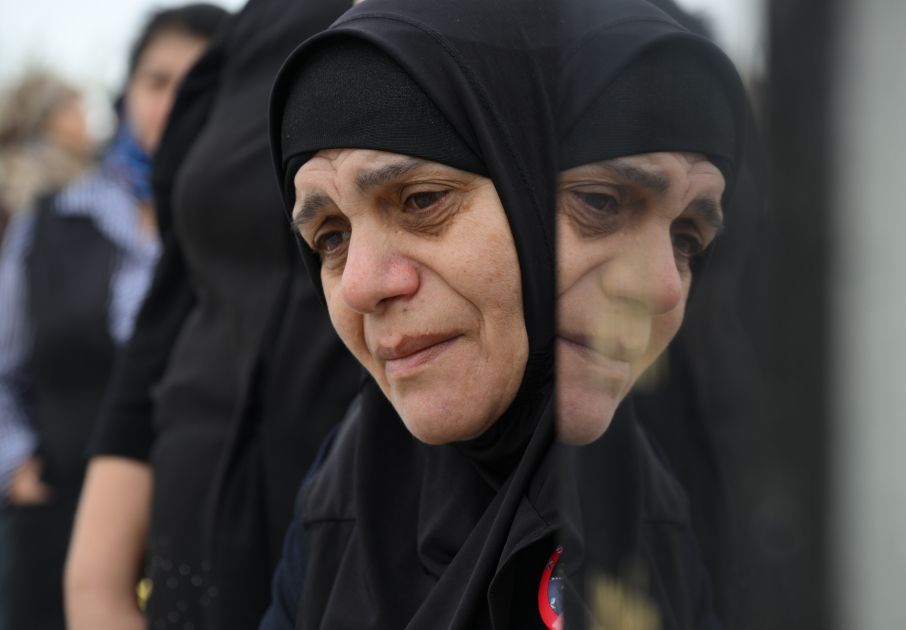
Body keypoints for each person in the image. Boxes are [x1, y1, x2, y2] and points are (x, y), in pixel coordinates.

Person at [64, 0, 362, 629]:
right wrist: (97, 579)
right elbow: (175, 299)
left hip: (360, 526)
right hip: (189, 537)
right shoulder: (248, 37)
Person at [262, 0, 557, 626]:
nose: (360, 286)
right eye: (331, 238)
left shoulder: (680, 494)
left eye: (422, 200)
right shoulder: (351, 477)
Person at [0, 5, 227, 630]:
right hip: (60, 528)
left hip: (206, 535)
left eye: (199, 81)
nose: (174, 102)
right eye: (157, 81)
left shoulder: (252, 229)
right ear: (126, 94)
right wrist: (17, 468)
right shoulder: (52, 221)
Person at [553, 0, 753, 627]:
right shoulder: (347, 497)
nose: (667, 287)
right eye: (600, 202)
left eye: (688, 241)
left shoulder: (651, 496)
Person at [0, 72, 91, 240]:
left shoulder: (85, 176)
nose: (83, 119)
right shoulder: (20, 185)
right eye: (71, 110)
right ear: (44, 121)